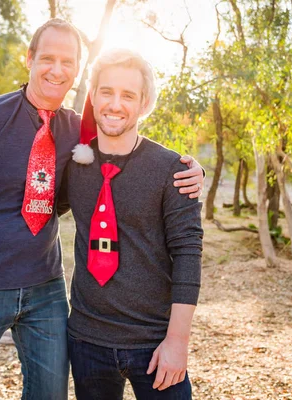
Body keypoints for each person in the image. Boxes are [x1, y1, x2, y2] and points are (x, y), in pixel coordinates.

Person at [0, 19, 204, 400]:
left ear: (77, 72)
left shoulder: (76, 131)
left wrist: (191, 169)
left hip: (46, 291)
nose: (57, 70)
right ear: (29, 59)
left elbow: (128, 141)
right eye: (48, 58)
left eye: (67, 62)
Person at [59, 48, 202, 400]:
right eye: (106, 91)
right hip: (87, 339)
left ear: (144, 103)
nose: (115, 104)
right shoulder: (73, 164)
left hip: (153, 343)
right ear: (93, 96)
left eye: (128, 95)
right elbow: (36, 198)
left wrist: (177, 343)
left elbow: (188, 253)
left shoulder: (174, 170)